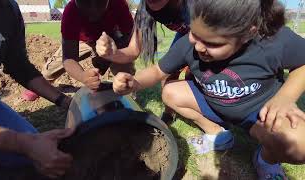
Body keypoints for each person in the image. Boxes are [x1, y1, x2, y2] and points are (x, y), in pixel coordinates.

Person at [112, 0, 305, 179]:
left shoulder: (272, 40)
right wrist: (134, 82)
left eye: (213, 43)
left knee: (299, 144)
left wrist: (285, 97)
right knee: (170, 92)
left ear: (248, 33)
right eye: (194, 35)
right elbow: (157, 71)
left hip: (259, 113)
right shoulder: (190, 43)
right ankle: (217, 133)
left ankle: (265, 159)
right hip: (213, 102)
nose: (199, 47)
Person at [0, 0, 74, 179]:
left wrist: (66, 101)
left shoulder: (9, 9)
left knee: (29, 155)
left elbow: (18, 65)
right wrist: (24, 143)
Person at [96, 0, 191, 122]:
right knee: (168, 74)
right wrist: (112, 53)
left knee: (194, 74)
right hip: (185, 34)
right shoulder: (145, 8)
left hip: (206, 32)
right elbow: (133, 50)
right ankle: (169, 113)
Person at [30, 0, 135, 99]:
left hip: (111, 40)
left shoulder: (119, 4)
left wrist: (110, 55)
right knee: (51, 69)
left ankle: (127, 91)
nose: (93, 10)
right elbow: (69, 57)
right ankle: (40, 84)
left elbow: (129, 38)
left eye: (100, 3)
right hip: (83, 41)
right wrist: (82, 76)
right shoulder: (71, 11)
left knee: (125, 63)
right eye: (85, 2)